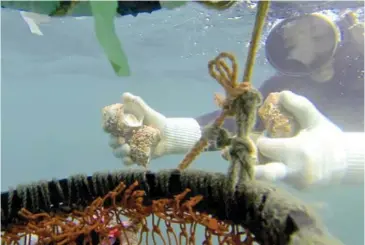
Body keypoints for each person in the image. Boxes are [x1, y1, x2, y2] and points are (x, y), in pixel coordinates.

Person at [104, 10, 364, 190]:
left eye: (319, 38)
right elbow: (242, 121)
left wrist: (341, 158)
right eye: (291, 42)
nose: (310, 47)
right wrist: (172, 134)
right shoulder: (287, 87)